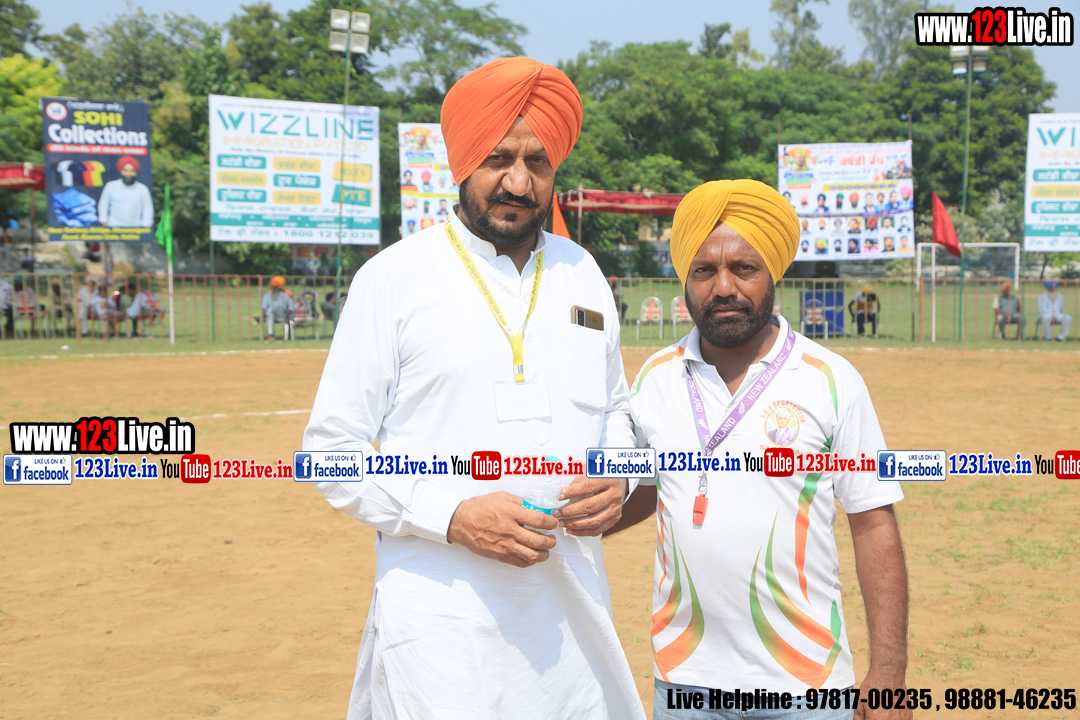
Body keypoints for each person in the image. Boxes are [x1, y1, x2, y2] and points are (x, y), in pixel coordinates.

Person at [303, 56, 645, 720]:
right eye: (497, 159)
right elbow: (329, 454)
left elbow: (616, 408)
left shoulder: (582, 272)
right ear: (462, 162)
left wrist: (622, 476)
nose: (518, 181)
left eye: (537, 162)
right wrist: (452, 516)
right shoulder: (394, 278)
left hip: (571, 616)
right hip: (440, 622)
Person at [611, 179, 909, 720]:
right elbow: (652, 488)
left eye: (743, 268)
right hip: (685, 679)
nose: (723, 287)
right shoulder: (655, 377)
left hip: (805, 684)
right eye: (704, 271)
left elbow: (872, 522)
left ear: (772, 273)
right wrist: (571, 520)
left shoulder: (830, 379)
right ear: (685, 281)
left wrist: (889, 674)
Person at [98, 156, 154, 228]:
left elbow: (148, 208)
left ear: (136, 172)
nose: (128, 174)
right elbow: (103, 205)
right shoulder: (111, 186)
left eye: (132, 171)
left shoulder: (142, 189)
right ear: (121, 171)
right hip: (114, 228)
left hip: (136, 229)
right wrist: (104, 221)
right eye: (125, 170)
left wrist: (146, 226)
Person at [262, 276, 294, 341]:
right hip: (271, 315)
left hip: (282, 314)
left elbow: (292, 307)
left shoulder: (285, 296)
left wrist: (287, 310)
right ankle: (270, 336)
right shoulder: (267, 296)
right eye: (272, 286)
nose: (273, 288)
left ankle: (270, 312)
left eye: (275, 286)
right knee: (270, 314)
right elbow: (264, 307)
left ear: (278, 287)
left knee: (277, 305)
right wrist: (264, 313)